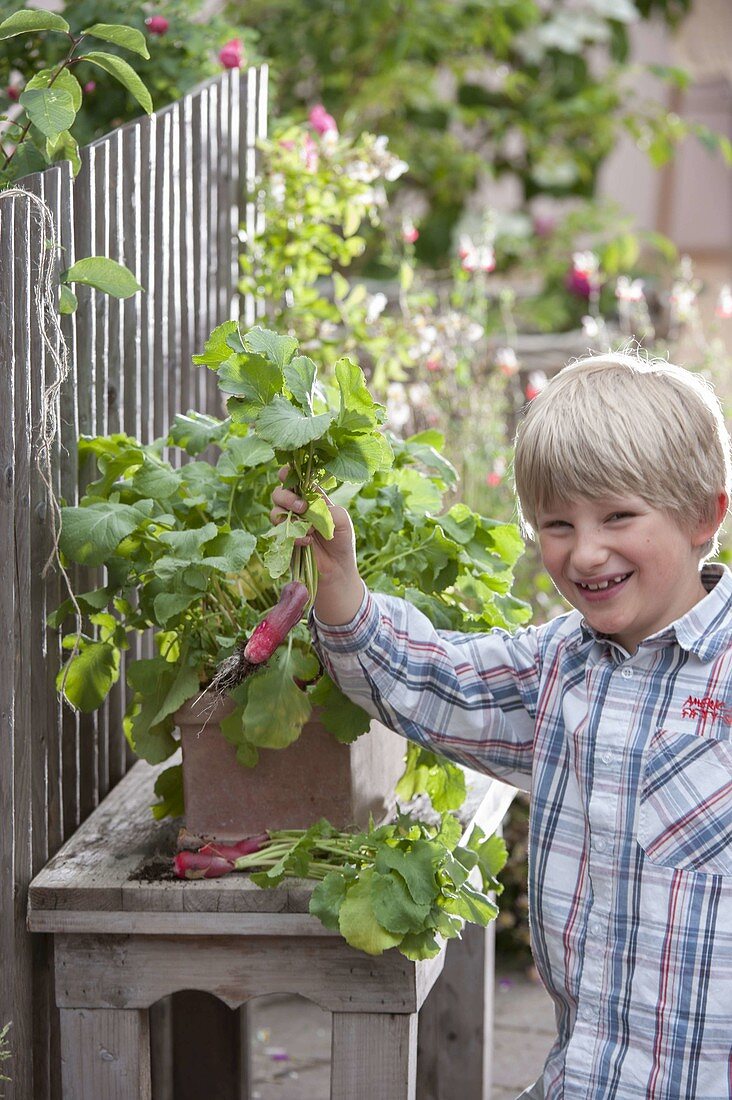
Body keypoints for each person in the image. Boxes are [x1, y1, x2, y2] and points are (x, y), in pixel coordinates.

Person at [270, 350, 732, 1100]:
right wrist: (340, 586)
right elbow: (427, 679)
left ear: (703, 516)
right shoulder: (556, 669)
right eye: (557, 524)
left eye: (619, 516)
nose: (585, 552)